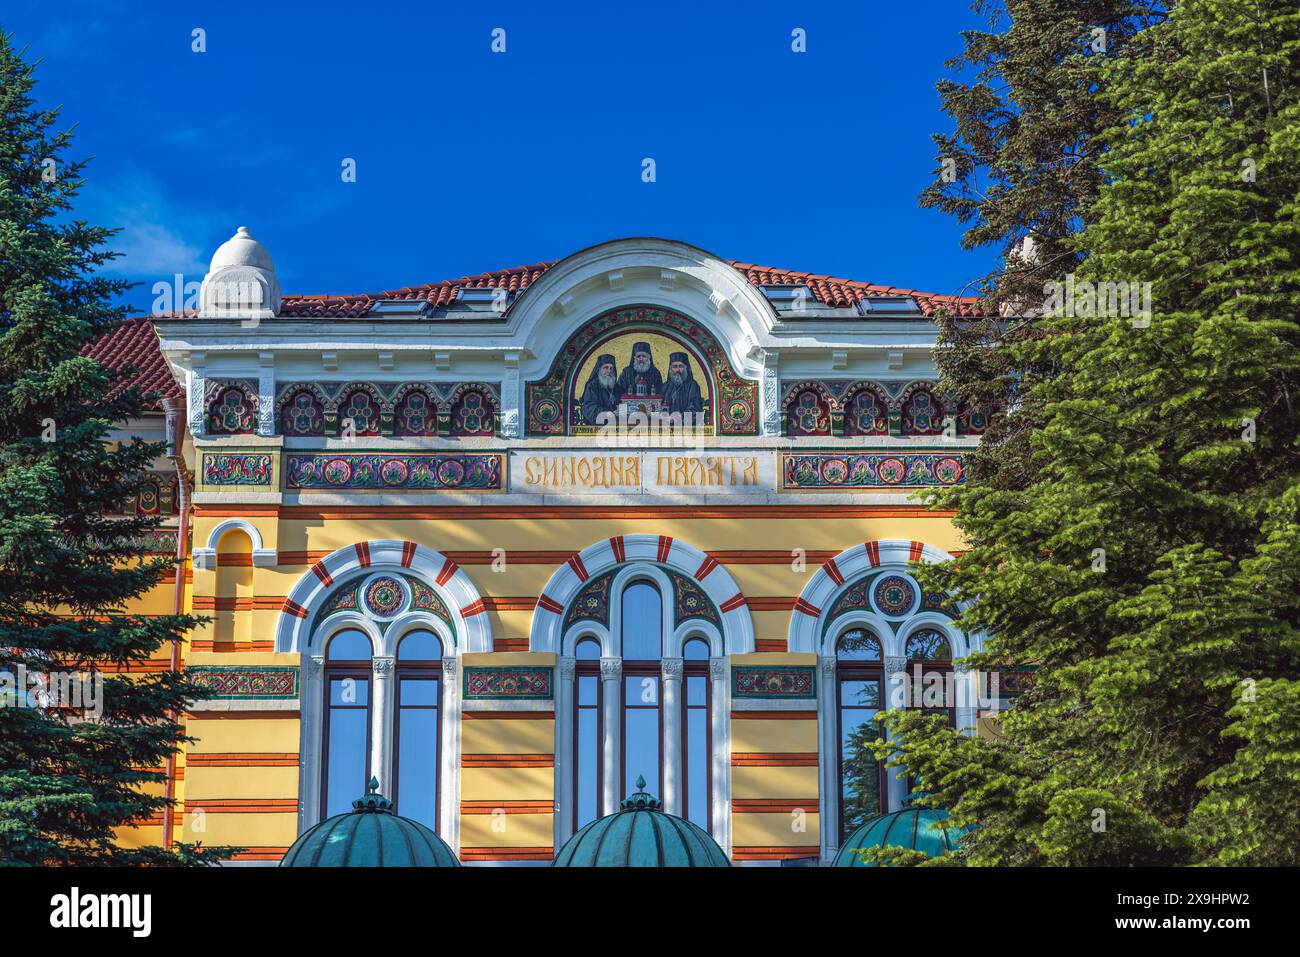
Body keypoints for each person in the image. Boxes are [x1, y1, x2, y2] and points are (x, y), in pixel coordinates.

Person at [580, 353, 619, 424]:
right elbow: (589, 407)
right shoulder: (592, 386)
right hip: (597, 425)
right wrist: (606, 413)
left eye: (611, 368)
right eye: (606, 367)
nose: (609, 371)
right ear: (599, 369)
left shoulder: (615, 386)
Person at [662, 351, 703, 416]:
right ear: (670, 369)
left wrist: (679, 417)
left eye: (681, 366)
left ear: (686, 368)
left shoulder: (693, 386)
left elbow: (696, 409)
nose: (678, 370)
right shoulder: (665, 386)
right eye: (675, 366)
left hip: (686, 424)